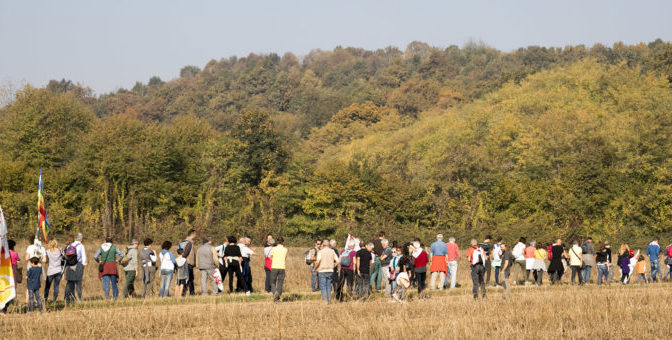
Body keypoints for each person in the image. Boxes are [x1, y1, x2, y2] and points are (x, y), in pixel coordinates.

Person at [94, 236, 125, 300]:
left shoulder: (101, 247)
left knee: (106, 283)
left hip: (104, 266)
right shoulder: (114, 247)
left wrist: (99, 261)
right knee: (114, 283)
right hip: (112, 266)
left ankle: (107, 298)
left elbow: (95, 256)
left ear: (105, 241)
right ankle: (115, 298)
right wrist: (118, 260)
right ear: (112, 241)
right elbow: (122, 254)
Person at [64, 233, 86, 303]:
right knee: (78, 282)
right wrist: (83, 266)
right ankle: (79, 298)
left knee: (70, 282)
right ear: (81, 239)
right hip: (78, 264)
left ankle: (68, 298)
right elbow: (83, 257)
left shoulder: (69, 246)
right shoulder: (81, 246)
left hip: (69, 265)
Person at [24, 235, 45, 304]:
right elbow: (44, 260)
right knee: (37, 284)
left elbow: (26, 258)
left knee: (29, 285)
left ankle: (27, 301)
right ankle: (36, 300)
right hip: (39, 269)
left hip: (30, 268)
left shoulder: (30, 247)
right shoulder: (42, 248)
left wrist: (32, 259)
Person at [270, 236, 288, 302]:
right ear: (283, 241)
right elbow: (285, 258)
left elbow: (271, 258)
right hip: (282, 267)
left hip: (274, 267)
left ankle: (275, 293)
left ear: (277, 241)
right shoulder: (285, 249)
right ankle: (278, 297)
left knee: (272, 282)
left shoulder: (274, 249)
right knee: (280, 283)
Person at [180, 229, 197, 296]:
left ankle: (184, 293)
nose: (195, 235)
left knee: (186, 278)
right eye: (195, 234)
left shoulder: (183, 242)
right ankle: (190, 293)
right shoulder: (189, 243)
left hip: (183, 263)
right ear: (192, 234)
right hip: (188, 263)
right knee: (190, 279)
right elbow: (186, 253)